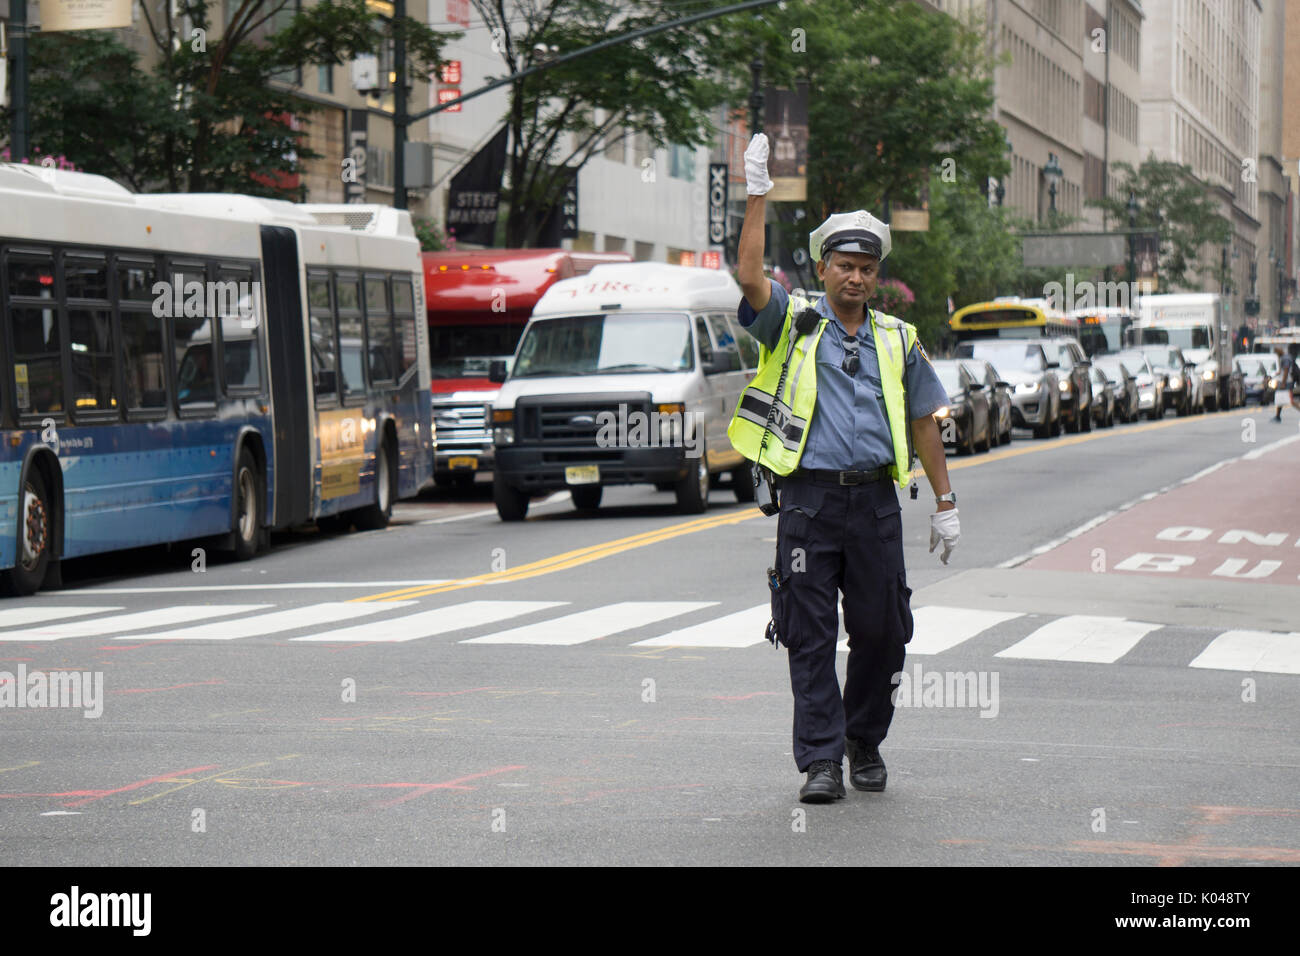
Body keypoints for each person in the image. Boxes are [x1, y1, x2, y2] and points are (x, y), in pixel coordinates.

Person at [728, 133, 959, 804]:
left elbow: (924, 421)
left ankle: (864, 739)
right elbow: (748, 276)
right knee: (809, 635)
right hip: (808, 503)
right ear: (822, 268)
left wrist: (945, 503)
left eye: (866, 267)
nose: (855, 276)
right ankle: (822, 760)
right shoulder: (791, 323)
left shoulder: (898, 339)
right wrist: (757, 195)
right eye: (843, 264)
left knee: (884, 633)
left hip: (876, 506)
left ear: (875, 275)